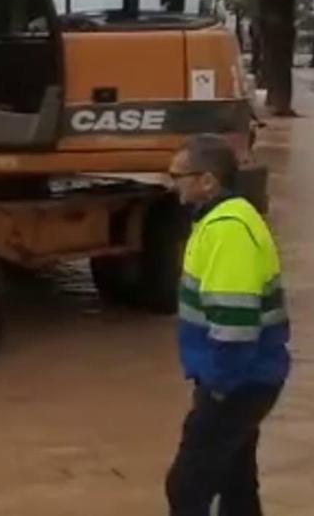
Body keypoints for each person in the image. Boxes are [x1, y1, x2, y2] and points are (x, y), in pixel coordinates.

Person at [165, 133, 290, 516]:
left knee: (187, 486)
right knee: (237, 483)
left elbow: (235, 323)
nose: (171, 182)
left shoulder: (228, 230)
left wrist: (218, 388)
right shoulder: (221, 220)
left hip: (237, 382)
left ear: (207, 181)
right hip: (246, 379)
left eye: (178, 174)